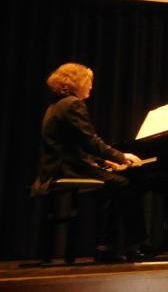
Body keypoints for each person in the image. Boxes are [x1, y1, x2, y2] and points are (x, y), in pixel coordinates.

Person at [31, 63, 153, 262]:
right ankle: (135, 245)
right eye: (88, 81)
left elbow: (74, 143)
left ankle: (105, 247)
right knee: (125, 184)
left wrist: (104, 161)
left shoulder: (55, 106)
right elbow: (90, 141)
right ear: (77, 82)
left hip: (57, 168)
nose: (91, 86)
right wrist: (121, 157)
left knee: (112, 186)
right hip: (67, 168)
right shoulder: (73, 104)